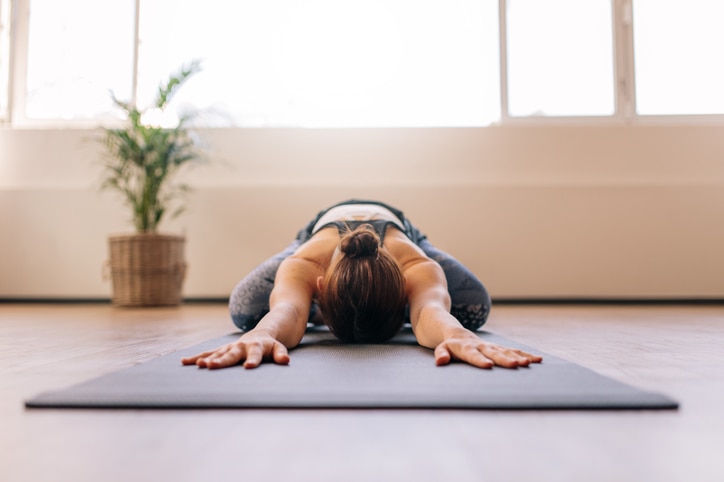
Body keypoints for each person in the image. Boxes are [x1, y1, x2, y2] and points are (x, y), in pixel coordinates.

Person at [182, 199, 542, 370]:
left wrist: (456, 334)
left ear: (405, 288)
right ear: (318, 288)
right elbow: (287, 311)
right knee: (246, 310)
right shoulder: (306, 262)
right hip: (320, 231)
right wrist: (263, 333)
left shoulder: (414, 263)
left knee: (472, 307)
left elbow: (429, 310)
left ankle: (369, 302)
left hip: (401, 230)